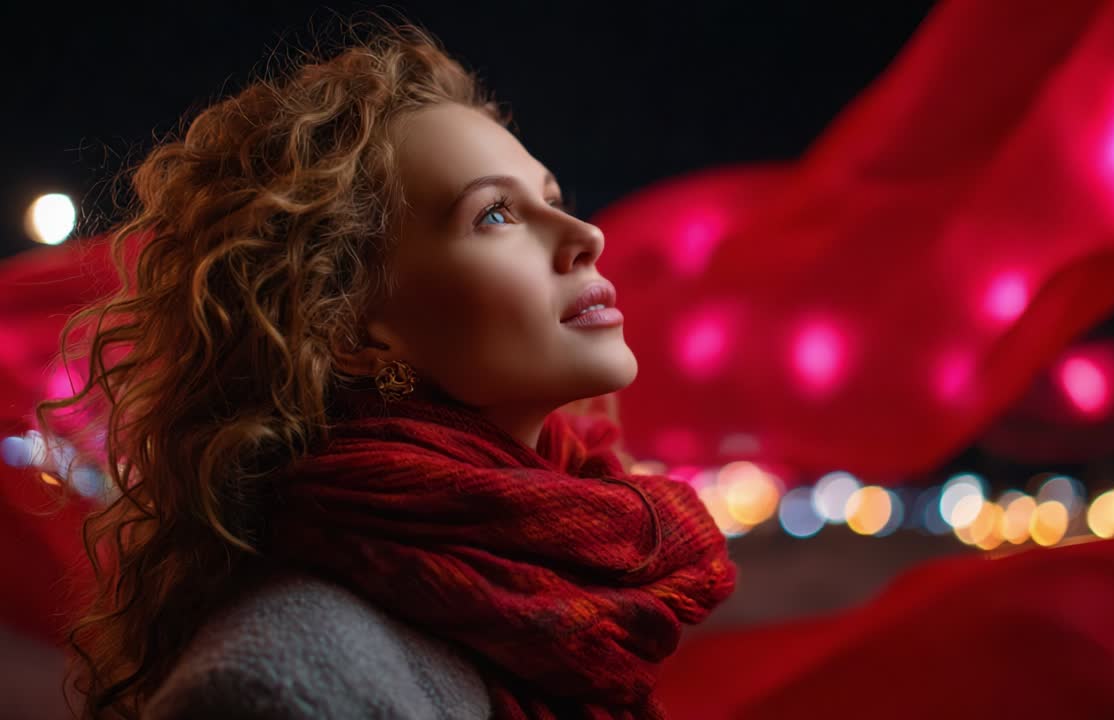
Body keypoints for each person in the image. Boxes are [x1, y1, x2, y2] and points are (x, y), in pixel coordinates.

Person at [36, 18, 737, 720]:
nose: (586, 236)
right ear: (354, 333)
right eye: (495, 214)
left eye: (550, 200)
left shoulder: (574, 576)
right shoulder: (281, 687)